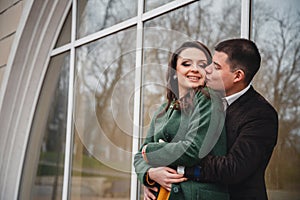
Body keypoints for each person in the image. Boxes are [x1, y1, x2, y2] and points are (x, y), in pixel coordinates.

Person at [143, 38, 278, 200]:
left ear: (238, 76)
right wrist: (151, 176)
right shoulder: (199, 101)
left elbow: (233, 168)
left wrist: (172, 164)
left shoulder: (260, 115)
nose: (207, 70)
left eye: (216, 67)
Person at [134, 41, 229, 200]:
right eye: (186, 64)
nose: (194, 69)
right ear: (174, 71)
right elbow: (139, 156)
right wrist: (150, 174)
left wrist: (150, 151)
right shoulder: (163, 110)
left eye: (202, 64)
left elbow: (194, 149)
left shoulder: (208, 99)